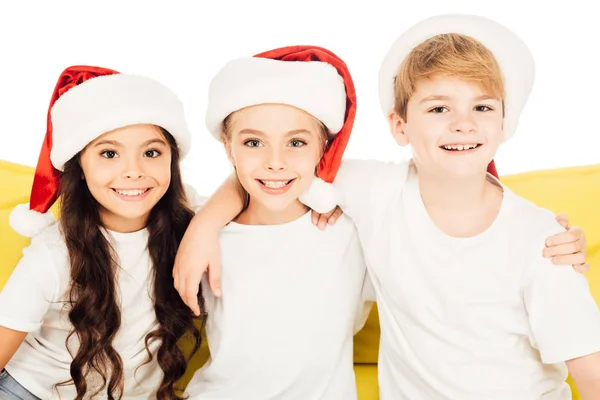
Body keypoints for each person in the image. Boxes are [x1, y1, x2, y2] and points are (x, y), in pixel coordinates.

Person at [172, 15, 595, 400]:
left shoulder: (542, 241)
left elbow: (589, 369)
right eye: (439, 108)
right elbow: (278, 169)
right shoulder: (373, 191)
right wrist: (204, 224)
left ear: (506, 122)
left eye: (482, 107)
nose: (462, 123)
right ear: (399, 125)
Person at [0, 66, 204, 400]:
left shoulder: (189, 221)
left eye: (151, 153)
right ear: (79, 168)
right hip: (28, 392)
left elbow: (241, 193)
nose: (134, 171)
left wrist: (208, 225)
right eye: (109, 153)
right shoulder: (53, 254)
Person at [183, 45, 374, 400]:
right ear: (228, 148)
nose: (275, 162)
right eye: (254, 142)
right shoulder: (203, 230)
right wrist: (203, 224)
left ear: (323, 148)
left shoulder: (352, 229)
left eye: (296, 142)